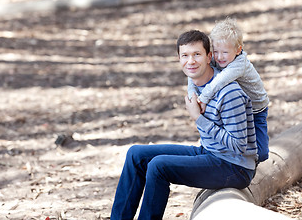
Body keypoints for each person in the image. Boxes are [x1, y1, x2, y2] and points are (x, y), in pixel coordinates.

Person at [110, 30, 258, 220]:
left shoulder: (229, 93)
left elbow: (239, 145)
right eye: (185, 56)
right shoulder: (197, 82)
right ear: (178, 58)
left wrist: (199, 118)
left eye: (197, 54)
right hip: (211, 153)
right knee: (136, 154)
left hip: (235, 166)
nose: (191, 61)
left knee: (158, 166)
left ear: (208, 57)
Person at [187, 18, 270, 163]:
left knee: (261, 153)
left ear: (238, 50)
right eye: (216, 51)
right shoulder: (220, 58)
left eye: (225, 52)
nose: (219, 57)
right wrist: (192, 94)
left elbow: (219, 82)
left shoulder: (239, 64)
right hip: (238, 106)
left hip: (257, 109)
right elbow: (194, 71)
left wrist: (203, 99)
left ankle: (250, 169)